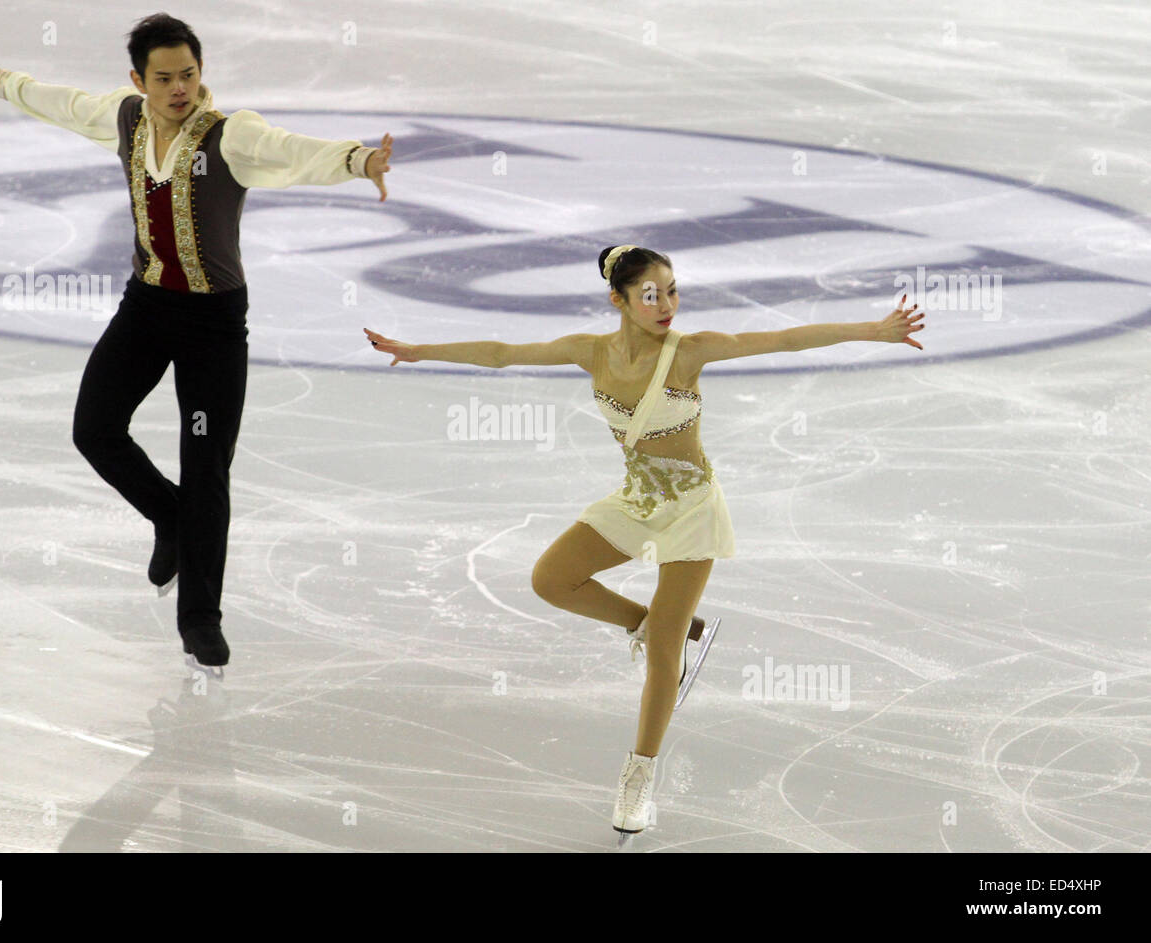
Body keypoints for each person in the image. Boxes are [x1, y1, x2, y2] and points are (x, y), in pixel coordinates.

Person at [364, 244, 925, 834]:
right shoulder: (591, 353)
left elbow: (782, 340)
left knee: (663, 655)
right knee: (551, 579)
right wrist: (420, 350)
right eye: (652, 294)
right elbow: (504, 354)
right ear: (620, 300)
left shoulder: (691, 352)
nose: (667, 305)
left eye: (673, 291)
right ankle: (655, 624)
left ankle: (639, 775)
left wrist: (875, 330)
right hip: (636, 501)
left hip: (690, 509)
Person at [0, 14, 393, 676]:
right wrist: (7, 84)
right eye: (163, 78)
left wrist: (359, 160)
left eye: (188, 74)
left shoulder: (231, 135)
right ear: (140, 79)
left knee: (206, 463)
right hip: (149, 305)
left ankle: (200, 617)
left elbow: (290, 150)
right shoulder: (127, 118)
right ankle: (170, 518)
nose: (179, 88)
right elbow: (67, 106)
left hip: (213, 324)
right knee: (94, 428)